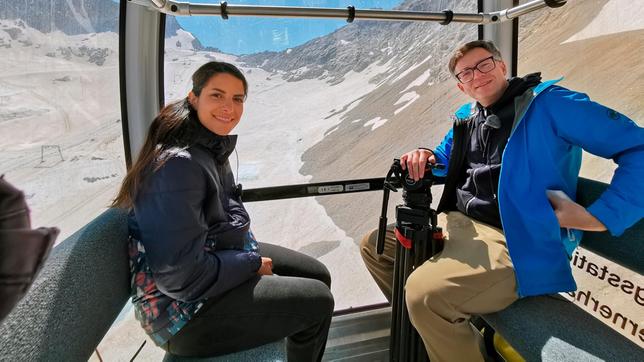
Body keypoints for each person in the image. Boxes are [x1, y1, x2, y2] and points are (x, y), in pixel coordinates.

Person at [360, 40, 644, 361]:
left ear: (502, 66)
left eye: (484, 64)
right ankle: (441, 339)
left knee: (424, 297)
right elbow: (445, 157)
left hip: (515, 241)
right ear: (462, 87)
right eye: (466, 73)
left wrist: (603, 216)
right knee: (375, 247)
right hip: (458, 224)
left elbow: (638, 148)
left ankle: (445, 338)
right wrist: (425, 155)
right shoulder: (469, 116)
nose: (477, 75)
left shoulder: (550, 105)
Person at [112, 61, 334, 361]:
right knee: (318, 302)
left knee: (318, 274)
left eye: (237, 99)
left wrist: (246, 256)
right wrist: (251, 263)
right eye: (217, 95)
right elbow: (182, 279)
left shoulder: (207, 146)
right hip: (180, 315)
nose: (228, 107)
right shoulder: (177, 166)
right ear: (194, 98)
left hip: (206, 260)